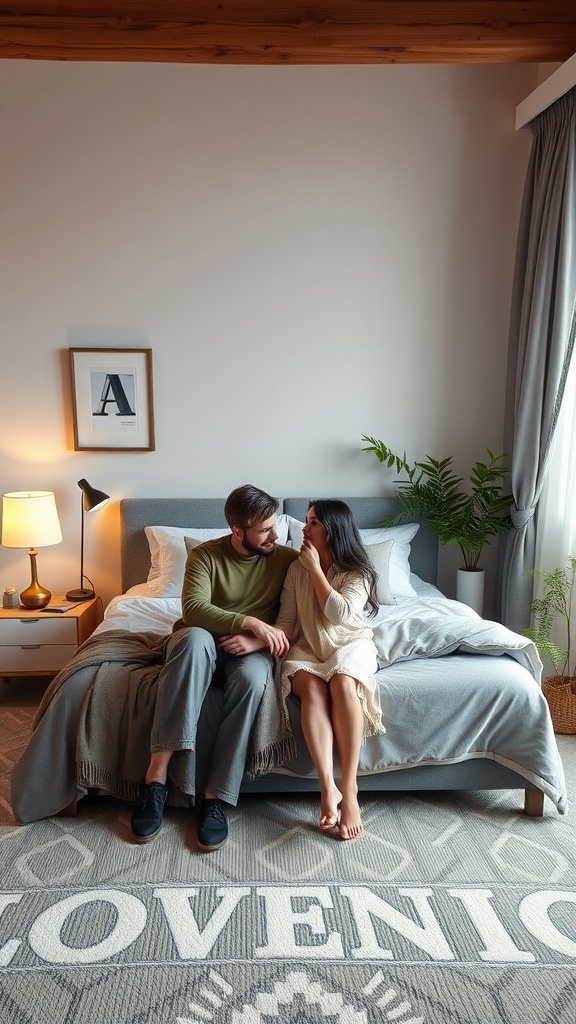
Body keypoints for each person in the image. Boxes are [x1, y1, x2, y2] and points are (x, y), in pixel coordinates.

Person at [130, 484, 298, 850]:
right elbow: (193, 609)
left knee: (255, 680)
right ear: (237, 531)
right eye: (264, 530)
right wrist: (250, 622)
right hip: (200, 643)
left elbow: (297, 616)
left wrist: (256, 641)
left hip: (247, 651)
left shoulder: (287, 559)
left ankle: (216, 797)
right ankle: (155, 779)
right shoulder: (205, 556)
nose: (274, 535)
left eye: (275, 526)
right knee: (192, 639)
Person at [275, 500, 384, 840]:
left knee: (342, 683)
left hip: (349, 643)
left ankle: (349, 789)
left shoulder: (358, 572)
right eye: (306, 521)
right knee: (308, 688)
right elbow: (288, 622)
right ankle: (327, 787)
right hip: (309, 645)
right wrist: (263, 639)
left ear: (333, 529)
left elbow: (339, 614)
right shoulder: (295, 569)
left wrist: (317, 571)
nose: (305, 528)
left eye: (313, 523)